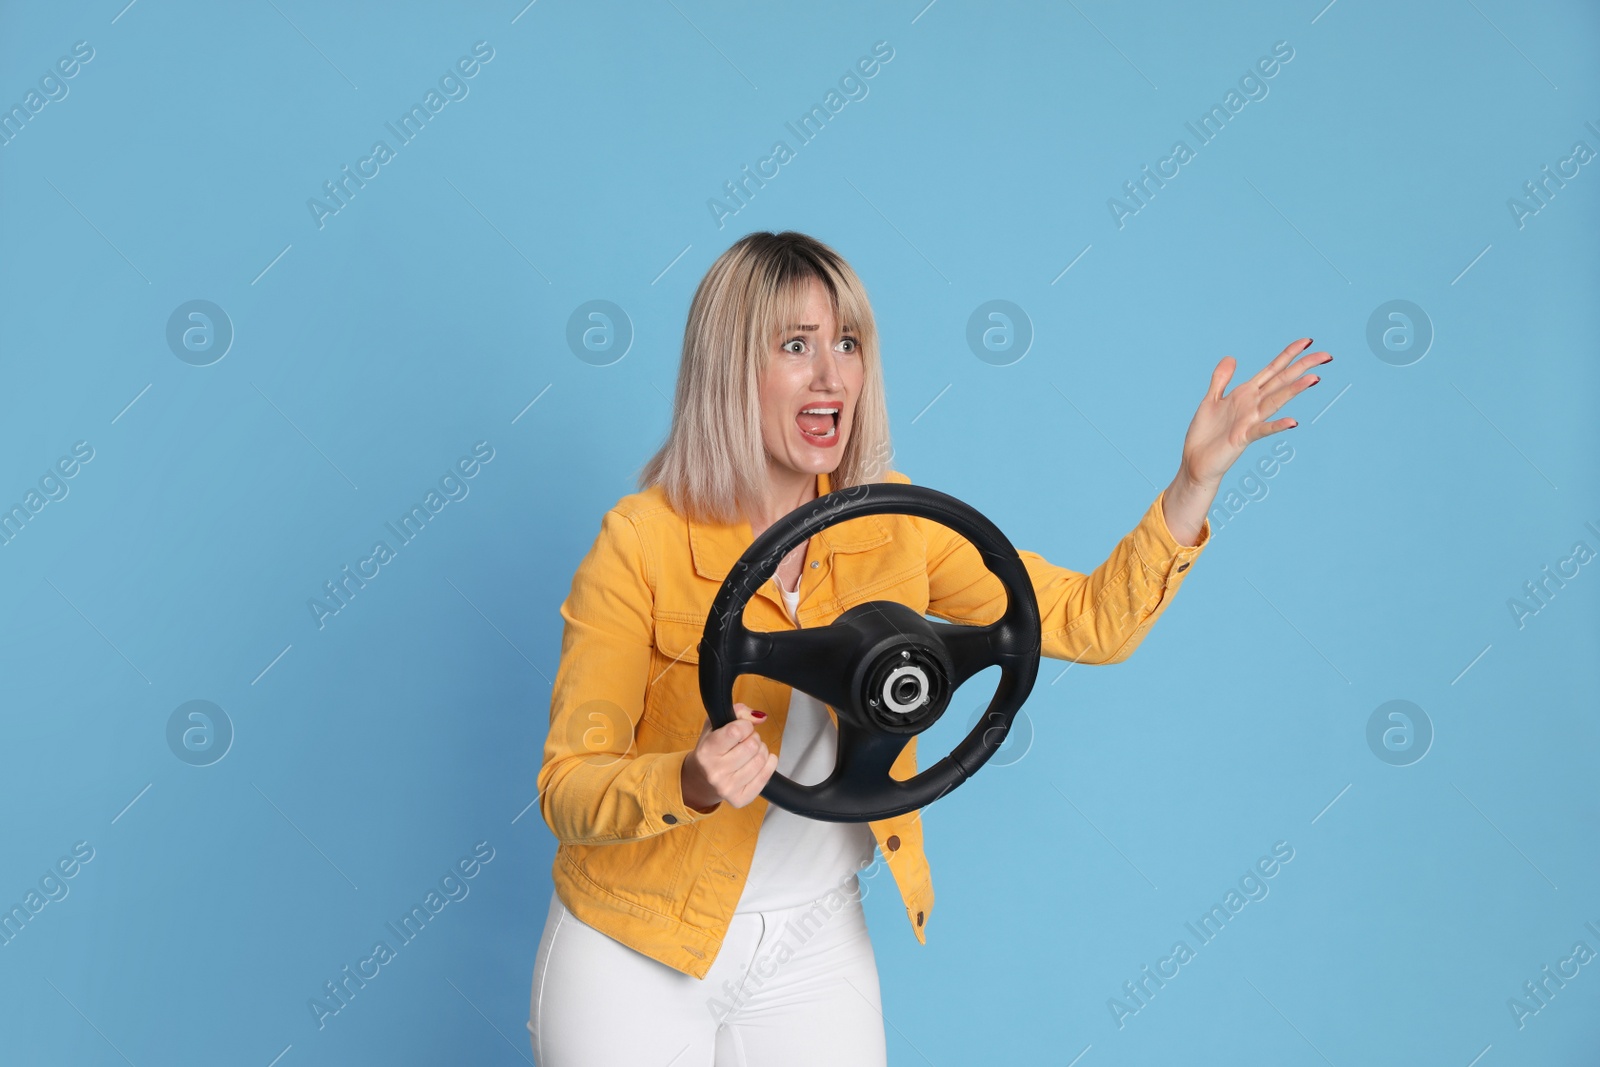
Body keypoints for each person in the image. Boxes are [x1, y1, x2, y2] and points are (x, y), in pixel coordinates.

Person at [527, 231, 1331, 1065]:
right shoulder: (640, 542)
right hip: (638, 943)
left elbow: (1093, 620)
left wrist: (1193, 482)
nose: (831, 375)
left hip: (812, 935)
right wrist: (687, 780)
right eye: (795, 346)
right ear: (730, 369)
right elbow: (567, 784)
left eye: (847, 343)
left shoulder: (901, 523)